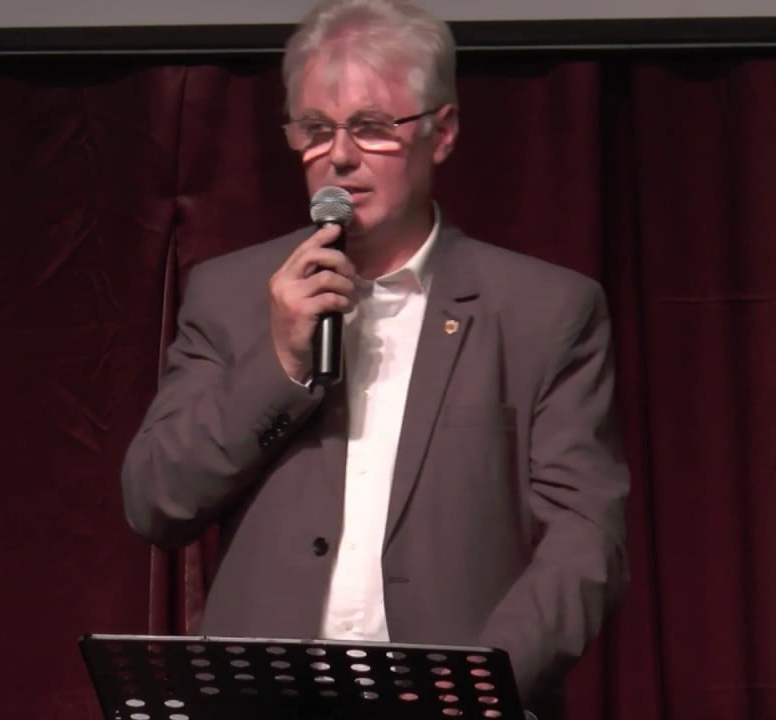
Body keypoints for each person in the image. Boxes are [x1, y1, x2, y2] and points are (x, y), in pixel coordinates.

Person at [120, 1, 629, 717]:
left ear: (441, 133)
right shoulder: (232, 294)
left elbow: (585, 539)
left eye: (371, 127)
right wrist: (280, 361)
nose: (340, 156)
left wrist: (481, 681)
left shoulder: (543, 311)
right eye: (316, 128)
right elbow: (156, 500)